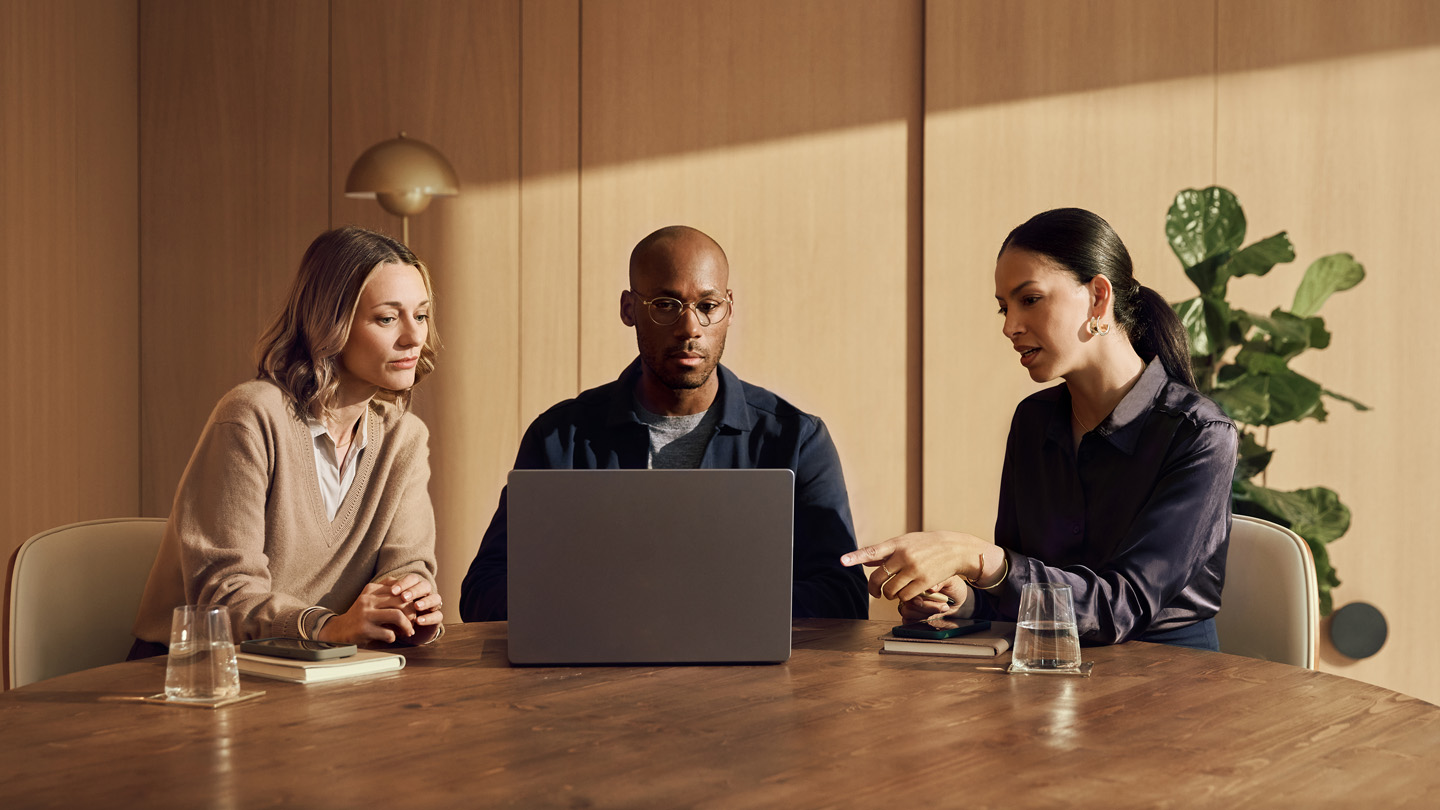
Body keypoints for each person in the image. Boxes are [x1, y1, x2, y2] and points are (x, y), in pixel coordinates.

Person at [843, 208, 1237, 650]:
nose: (1011, 327)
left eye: (1029, 299)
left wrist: (979, 559)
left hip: (1173, 688)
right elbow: (1024, 590)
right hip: (1050, 678)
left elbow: (1119, 607)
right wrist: (966, 599)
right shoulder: (1034, 420)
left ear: (1098, 298)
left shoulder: (1200, 433)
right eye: (1003, 308)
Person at [459, 225, 868, 621]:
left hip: (749, 684)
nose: (689, 328)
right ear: (629, 309)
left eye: (707, 306)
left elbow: (844, 595)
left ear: (729, 308)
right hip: (595, 681)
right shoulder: (559, 438)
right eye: (666, 306)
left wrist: (696, 610)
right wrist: (610, 609)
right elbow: (483, 590)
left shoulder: (797, 439)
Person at [131, 225, 445, 655]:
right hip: (199, 671)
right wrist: (329, 626)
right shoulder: (251, 415)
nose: (413, 337)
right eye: (388, 318)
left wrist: (412, 602)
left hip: (321, 669)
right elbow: (224, 595)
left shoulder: (405, 438)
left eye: (421, 314)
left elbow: (407, 567)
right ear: (331, 322)